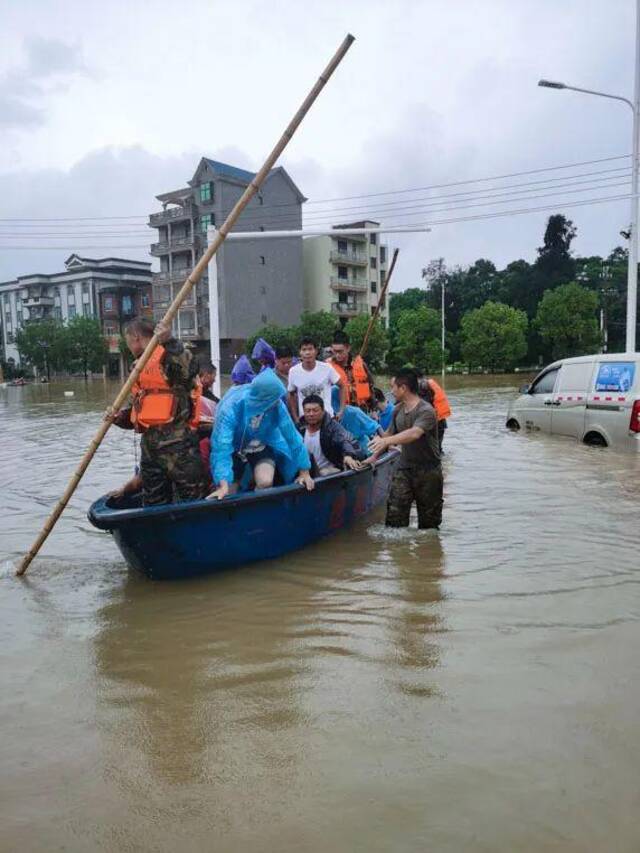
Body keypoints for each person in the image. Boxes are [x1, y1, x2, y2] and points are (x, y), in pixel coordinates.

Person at [108, 318, 209, 506]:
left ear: (136, 338)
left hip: (179, 447)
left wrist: (169, 341)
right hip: (150, 450)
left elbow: (189, 370)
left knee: (192, 499)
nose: (129, 346)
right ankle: (156, 534)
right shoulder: (138, 367)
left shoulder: (168, 356)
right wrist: (119, 418)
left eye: (128, 340)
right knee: (153, 500)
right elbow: (137, 415)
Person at [209, 368, 314, 499]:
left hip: (261, 445)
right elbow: (222, 447)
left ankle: (258, 510)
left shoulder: (277, 405)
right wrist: (222, 483)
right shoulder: (231, 407)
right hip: (234, 449)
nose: (278, 401)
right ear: (263, 398)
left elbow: (292, 437)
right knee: (228, 492)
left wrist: (304, 470)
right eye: (274, 399)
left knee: (265, 482)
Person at [368, 368, 443, 529]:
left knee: (429, 525)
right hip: (404, 469)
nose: (391, 391)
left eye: (393, 387)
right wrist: (373, 457)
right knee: (394, 519)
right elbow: (387, 435)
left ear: (403, 388)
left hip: (428, 471)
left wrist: (387, 441)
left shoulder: (427, 411)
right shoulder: (397, 410)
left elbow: (414, 433)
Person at [297, 394, 361, 476]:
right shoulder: (299, 429)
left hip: (329, 471)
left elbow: (343, 441)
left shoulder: (332, 427)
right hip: (306, 472)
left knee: (324, 473)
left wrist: (348, 455)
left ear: (323, 411)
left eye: (315, 410)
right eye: (308, 411)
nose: (311, 414)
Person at [287, 337, 346, 421]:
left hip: (327, 418)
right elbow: (291, 394)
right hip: (306, 420)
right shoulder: (293, 371)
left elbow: (342, 385)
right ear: (300, 352)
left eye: (310, 349)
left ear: (316, 351)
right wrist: (296, 417)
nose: (307, 353)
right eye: (304, 350)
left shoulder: (327, 368)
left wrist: (341, 411)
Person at [328, 329, 375, 410]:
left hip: (361, 410)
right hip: (339, 411)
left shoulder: (360, 364)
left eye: (340, 351)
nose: (337, 355)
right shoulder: (327, 367)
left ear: (348, 348)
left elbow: (370, 386)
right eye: (335, 351)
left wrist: (373, 409)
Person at [419, 376, 452, 452]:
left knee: (432, 450)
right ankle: (443, 462)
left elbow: (424, 404)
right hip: (440, 421)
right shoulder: (428, 382)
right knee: (438, 449)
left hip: (434, 423)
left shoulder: (422, 385)